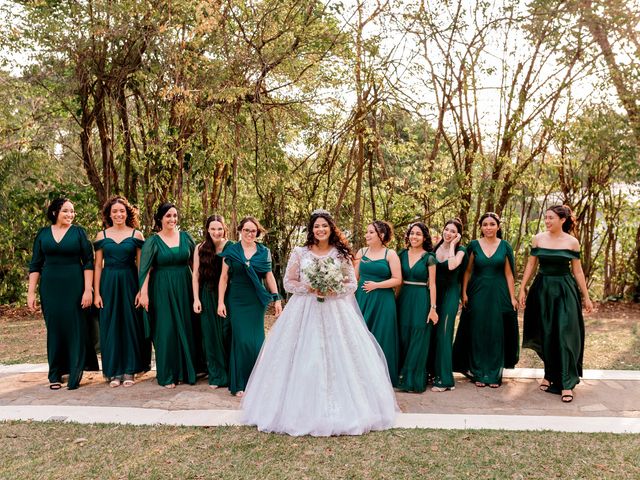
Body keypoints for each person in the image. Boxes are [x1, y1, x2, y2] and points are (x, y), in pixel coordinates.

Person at [241, 210, 397, 436]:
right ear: (311, 229)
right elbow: (289, 282)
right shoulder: (300, 252)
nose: (320, 230)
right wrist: (309, 288)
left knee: (340, 355)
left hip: (335, 309)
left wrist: (333, 289)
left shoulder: (341, 253)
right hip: (304, 308)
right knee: (302, 355)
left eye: (324, 225)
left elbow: (352, 283)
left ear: (331, 228)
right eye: (316, 226)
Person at [519, 205, 593, 403]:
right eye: (546, 218)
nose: (547, 221)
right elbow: (531, 264)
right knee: (547, 333)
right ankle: (549, 374)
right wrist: (522, 287)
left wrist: (586, 296)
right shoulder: (538, 238)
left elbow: (577, 271)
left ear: (562, 220)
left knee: (565, 335)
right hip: (542, 289)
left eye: (551, 218)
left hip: (564, 291)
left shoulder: (572, 242)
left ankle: (567, 383)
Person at [27, 197, 99, 390]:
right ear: (54, 212)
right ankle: (56, 373)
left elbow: (89, 262)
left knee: (75, 327)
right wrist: (31, 293)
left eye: (72, 211)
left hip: (75, 286)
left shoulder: (78, 233)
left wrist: (87, 289)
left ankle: (75, 373)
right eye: (66, 211)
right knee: (55, 328)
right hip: (50, 288)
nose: (70, 215)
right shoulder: (43, 234)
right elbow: (35, 265)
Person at [217, 216, 282, 396]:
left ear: (257, 233)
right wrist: (221, 301)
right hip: (236, 299)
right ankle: (239, 384)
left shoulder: (263, 251)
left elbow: (268, 275)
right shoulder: (232, 250)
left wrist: (276, 298)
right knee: (241, 340)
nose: (249, 233)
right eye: (246, 230)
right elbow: (223, 277)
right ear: (240, 231)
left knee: (256, 341)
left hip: (256, 300)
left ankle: (257, 383)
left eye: (253, 231)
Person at [452, 212, 519, 388]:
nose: (488, 227)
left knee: (496, 331)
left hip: (499, 292)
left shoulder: (505, 246)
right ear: (480, 227)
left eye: (492, 224)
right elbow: (467, 271)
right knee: (477, 330)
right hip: (477, 292)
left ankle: (494, 374)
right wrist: (464, 292)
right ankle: (479, 372)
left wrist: (513, 297)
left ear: (498, 226)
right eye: (485, 224)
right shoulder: (474, 245)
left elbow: (509, 274)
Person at [138, 202, 197, 388]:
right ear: (160, 219)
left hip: (185, 286)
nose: (172, 219)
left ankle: (184, 372)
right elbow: (146, 269)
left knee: (186, 328)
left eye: (174, 216)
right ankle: (167, 374)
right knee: (166, 330)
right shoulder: (153, 241)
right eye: (168, 216)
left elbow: (196, 266)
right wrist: (144, 293)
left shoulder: (186, 238)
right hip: (161, 288)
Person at [93, 196, 149, 387]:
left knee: (130, 324)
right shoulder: (102, 236)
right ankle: (113, 371)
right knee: (110, 324)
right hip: (108, 283)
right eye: (115, 211)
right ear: (109, 214)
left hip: (130, 282)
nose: (118, 214)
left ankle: (130, 370)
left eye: (122, 211)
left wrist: (142, 291)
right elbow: (98, 266)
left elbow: (142, 266)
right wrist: (96, 293)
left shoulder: (137, 235)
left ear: (127, 213)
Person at [355, 221, 402, 386]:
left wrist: (377, 285)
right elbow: (354, 278)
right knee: (361, 335)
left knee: (382, 336)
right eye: (366, 232)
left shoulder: (390, 254)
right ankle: (360, 377)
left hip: (383, 301)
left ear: (381, 235)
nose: (367, 235)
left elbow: (397, 279)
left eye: (371, 233)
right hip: (362, 299)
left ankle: (382, 378)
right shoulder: (361, 252)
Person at [396, 222, 438, 393]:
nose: (414, 237)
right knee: (403, 335)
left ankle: (414, 380)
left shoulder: (429, 258)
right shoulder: (401, 254)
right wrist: (394, 300)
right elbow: (397, 280)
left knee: (419, 337)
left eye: (418, 234)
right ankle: (400, 377)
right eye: (412, 233)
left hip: (422, 298)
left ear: (424, 237)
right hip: (404, 297)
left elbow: (433, 285)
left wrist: (433, 308)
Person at [193, 214, 233, 388]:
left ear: (224, 229)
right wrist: (196, 298)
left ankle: (231, 374)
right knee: (209, 336)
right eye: (213, 229)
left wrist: (222, 301)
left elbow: (226, 276)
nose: (216, 232)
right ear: (207, 230)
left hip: (226, 295)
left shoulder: (230, 246)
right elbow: (195, 275)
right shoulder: (200, 247)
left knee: (226, 334)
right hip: (206, 295)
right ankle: (216, 375)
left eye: (219, 228)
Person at [430, 219, 466, 392]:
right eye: (446, 229)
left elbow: (451, 266)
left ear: (458, 235)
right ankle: (431, 371)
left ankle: (445, 380)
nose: (448, 233)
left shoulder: (460, 251)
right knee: (432, 332)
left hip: (450, 294)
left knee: (444, 332)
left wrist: (452, 245)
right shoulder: (434, 249)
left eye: (453, 231)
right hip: (434, 294)